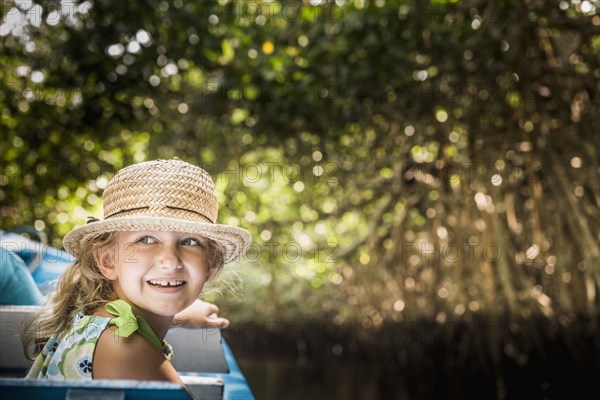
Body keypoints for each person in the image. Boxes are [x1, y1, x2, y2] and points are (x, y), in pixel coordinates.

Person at [23, 158, 250, 382]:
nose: (171, 261)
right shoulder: (125, 349)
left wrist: (178, 317)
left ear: (209, 264)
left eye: (190, 242)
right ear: (108, 260)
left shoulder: (99, 320)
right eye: (146, 239)